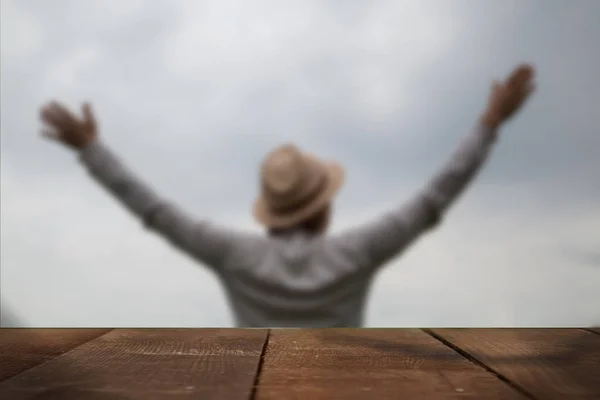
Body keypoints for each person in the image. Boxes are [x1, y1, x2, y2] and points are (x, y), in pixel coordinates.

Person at [39, 64, 536, 327]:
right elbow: (435, 197)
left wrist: (92, 150)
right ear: (323, 207)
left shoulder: (234, 253)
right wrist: (489, 122)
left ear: (270, 211)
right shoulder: (357, 250)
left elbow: (153, 210)